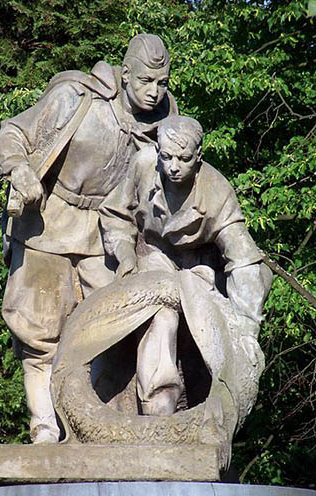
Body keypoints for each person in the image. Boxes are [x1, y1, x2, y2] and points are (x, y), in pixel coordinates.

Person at [0, 34, 178, 443]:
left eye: (162, 82)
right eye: (146, 80)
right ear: (125, 74)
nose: (154, 91)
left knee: (122, 322)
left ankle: (113, 427)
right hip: (47, 224)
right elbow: (13, 134)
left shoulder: (165, 121)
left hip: (107, 233)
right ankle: (44, 426)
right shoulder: (76, 96)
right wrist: (19, 170)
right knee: (39, 333)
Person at [100, 115, 272, 416]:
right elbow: (116, 214)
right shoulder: (144, 165)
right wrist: (125, 251)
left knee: (210, 331)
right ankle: (158, 407)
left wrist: (247, 328)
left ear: (199, 156)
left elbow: (243, 258)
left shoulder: (216, 191)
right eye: (166, 157)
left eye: (184, 158)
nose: (174, 167)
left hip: (199, 270)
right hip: (153, 258)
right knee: (160, 314)